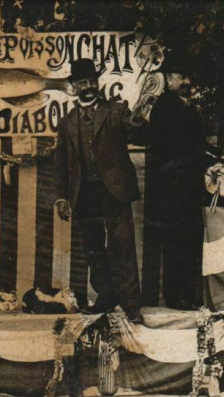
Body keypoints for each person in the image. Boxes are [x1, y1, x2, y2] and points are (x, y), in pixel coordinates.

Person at [54, 58, 144, 324]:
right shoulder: (66, 122)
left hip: (114, 191)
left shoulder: (117, 110)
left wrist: (139, 119)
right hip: (84, 194)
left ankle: (132, 306)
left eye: (92, 81)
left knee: (122, 245)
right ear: (73, 87)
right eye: (82, 82)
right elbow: (61, 163)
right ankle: (106, 297)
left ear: (97, 83)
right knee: (93, 249)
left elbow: (137, 134)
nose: (88, 86)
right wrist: (61, 197)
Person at [138, 57, 216, 310]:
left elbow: (197, 143)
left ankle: (185, 293)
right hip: (172, 187)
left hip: (187, 187)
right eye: (182, 77)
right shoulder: (165, 108)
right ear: (169, 79)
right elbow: (170, 148)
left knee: (188, 240)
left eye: (187, 77)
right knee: (176, 242)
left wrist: (210, 156)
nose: (187, 82)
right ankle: (176, 296)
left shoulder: (186, 107)